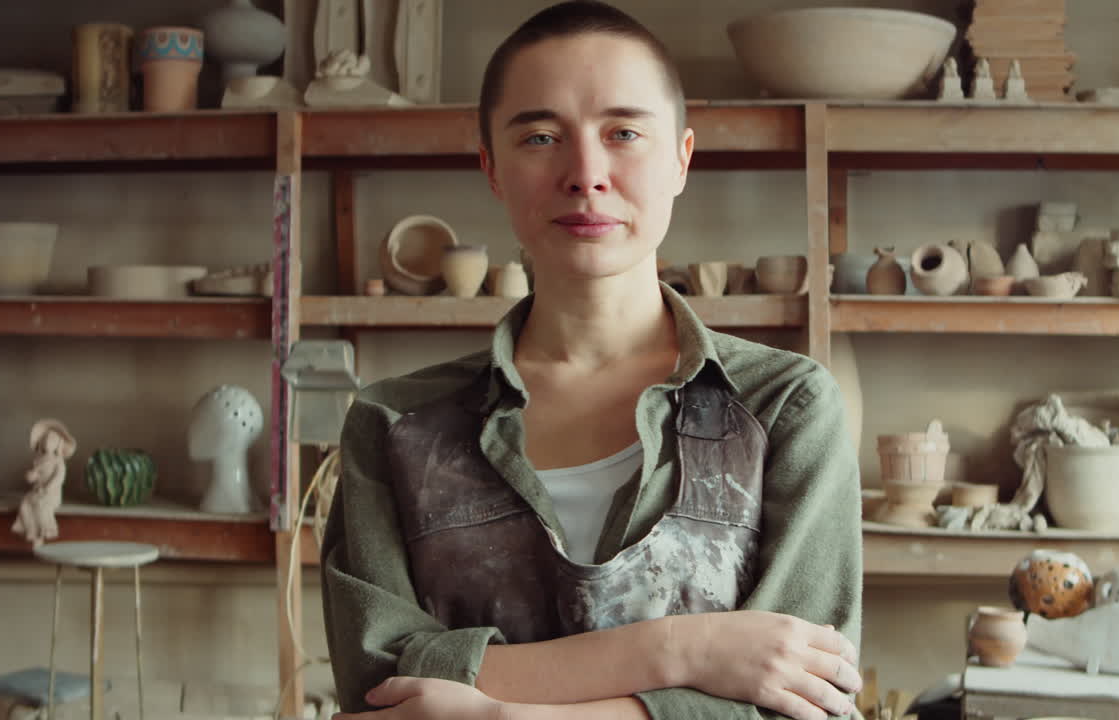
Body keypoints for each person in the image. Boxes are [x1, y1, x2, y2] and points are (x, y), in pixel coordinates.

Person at [321, 3, 862, 718]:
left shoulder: (785, 408)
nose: (585, 173)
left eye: (624, 133)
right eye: (541, 136)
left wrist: (499, 712)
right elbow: (379, 678)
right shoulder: (393, 423)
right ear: (490, 167)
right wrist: (685, 651)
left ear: (681, 159)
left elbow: (808, 701)